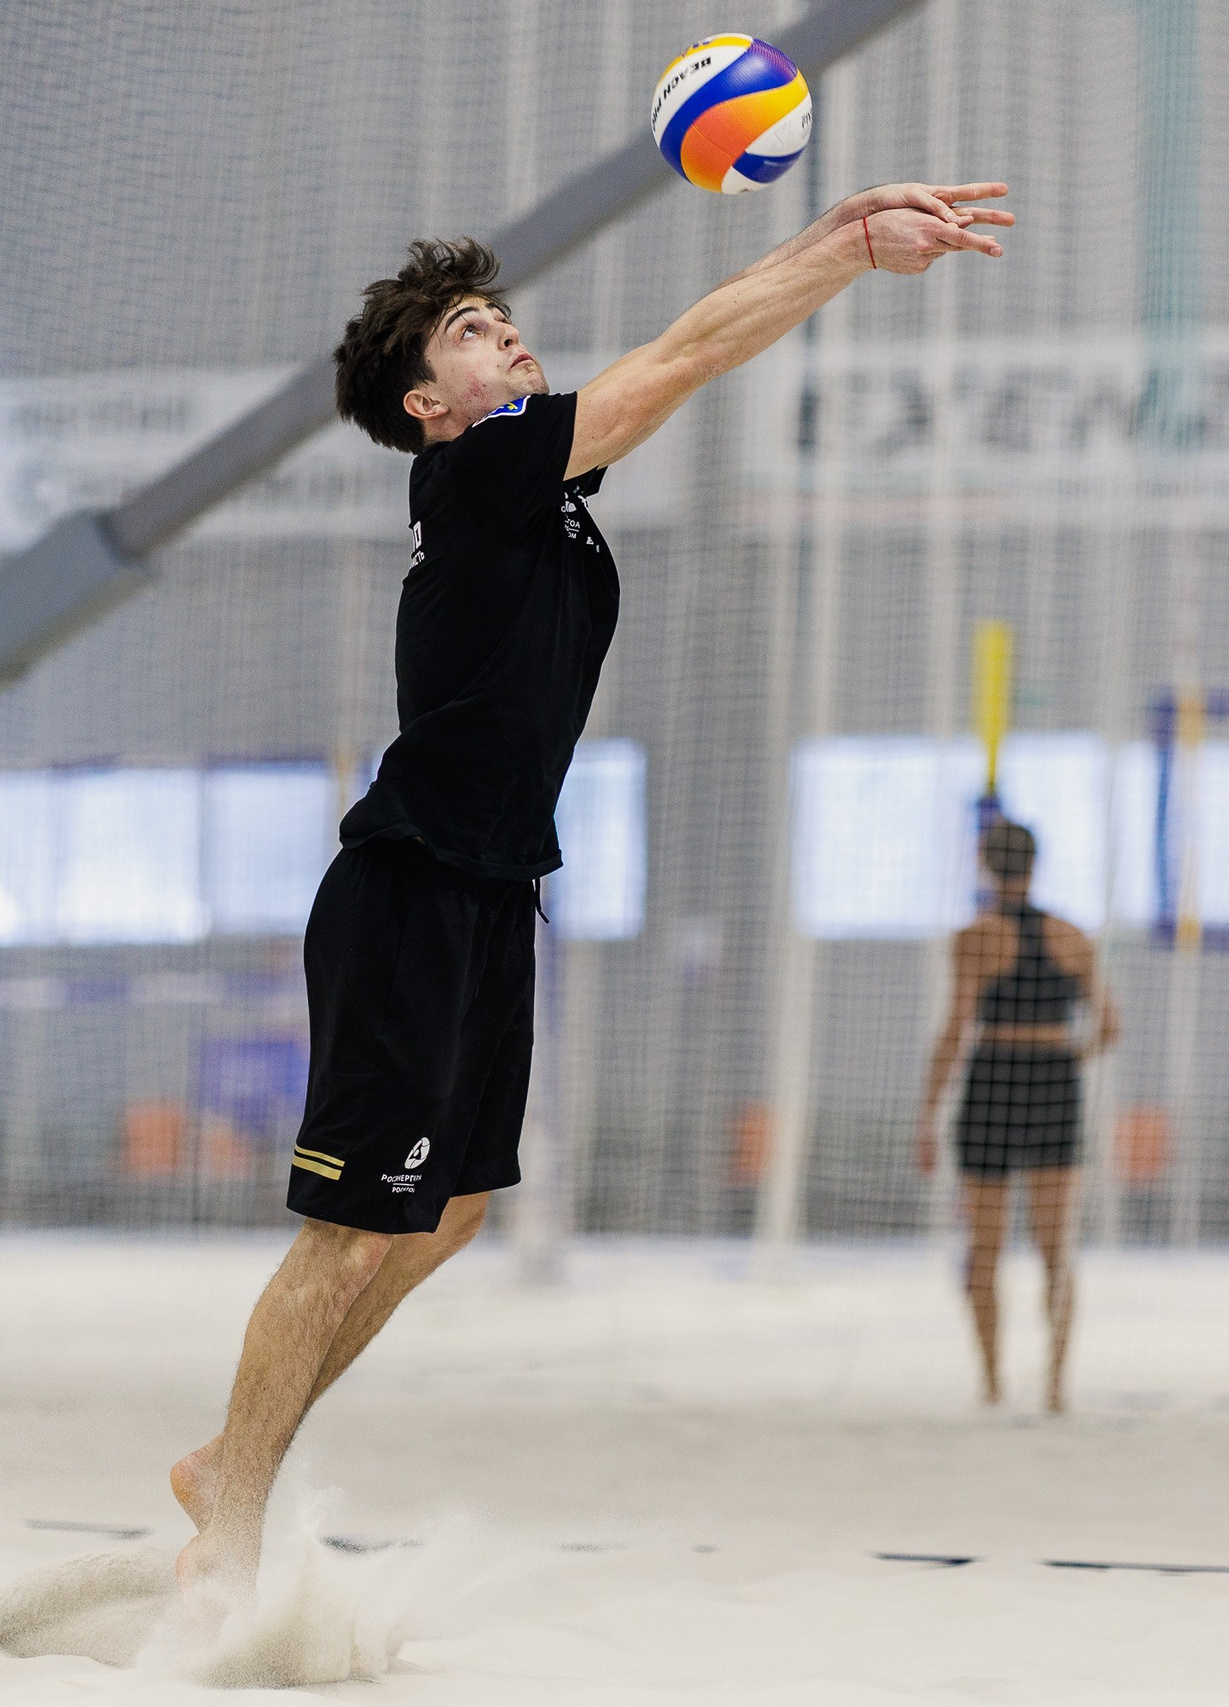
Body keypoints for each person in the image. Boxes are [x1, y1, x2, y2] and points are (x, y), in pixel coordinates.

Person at [170, 181, 1014, 1603]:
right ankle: (228, 1509)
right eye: (465, 331)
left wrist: (837, 240)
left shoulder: (541, 492)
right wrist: (850, 249)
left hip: (498, 892)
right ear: (427, 406)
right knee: (350, 1229)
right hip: (410, 885)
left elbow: (678, 360)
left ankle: (228, 1455)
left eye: (499, 318)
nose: (501, 333)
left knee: (447, 1215)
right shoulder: (480, 465)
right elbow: (685, 357)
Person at [918, 819, 1118, 1414]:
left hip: (993, 1081)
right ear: (1036, 865)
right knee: (1056, 1247)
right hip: (1053, 1084)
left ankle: (993, 1382)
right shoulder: (1073, 936)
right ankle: (1056, 1387)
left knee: (984, 1248)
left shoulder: (976, 938)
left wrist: (927, 1114)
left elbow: (956, 1029)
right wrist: (1067, 1054)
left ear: (985, 865)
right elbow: (1109, 1026)